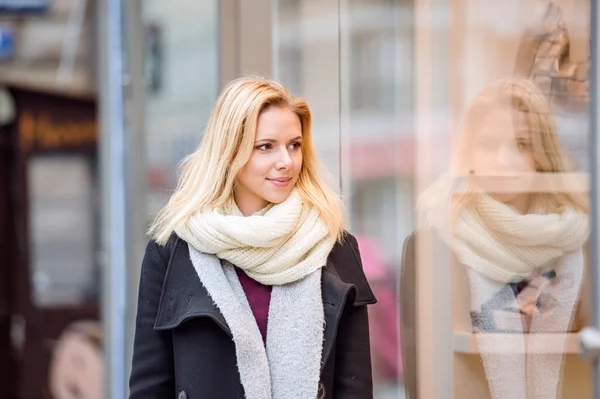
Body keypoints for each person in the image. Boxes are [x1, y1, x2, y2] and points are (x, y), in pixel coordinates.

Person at [129, 76, 377, 399]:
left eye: (294, 145)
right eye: (266, 147)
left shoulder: (333, 247)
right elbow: (149, 387)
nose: (286, 162)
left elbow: (355, 389)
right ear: (231, 153)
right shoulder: (172, 253)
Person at [402, 78, 589, 398]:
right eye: (488, 144)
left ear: (543, 153)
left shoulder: (580, 244)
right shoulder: (433, 246)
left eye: (522, 143)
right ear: (468, 152)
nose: (503, 160)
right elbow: (421, 379)